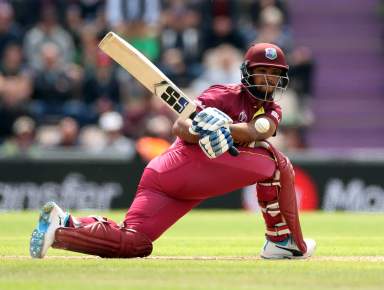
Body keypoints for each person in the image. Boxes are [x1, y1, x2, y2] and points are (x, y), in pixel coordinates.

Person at [30, 43, 316, 260]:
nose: (267, 79)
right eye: (261, 71)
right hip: (181, 165)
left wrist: (225, 129)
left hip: (173, 183)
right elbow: (181, 127)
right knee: (277, 163)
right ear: (247, 73)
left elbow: (258, 130)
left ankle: (62, 226)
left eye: (274, 74)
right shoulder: (222, 94)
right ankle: (283, 241)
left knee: (135, 243)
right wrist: (199, 130)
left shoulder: (272, 109)